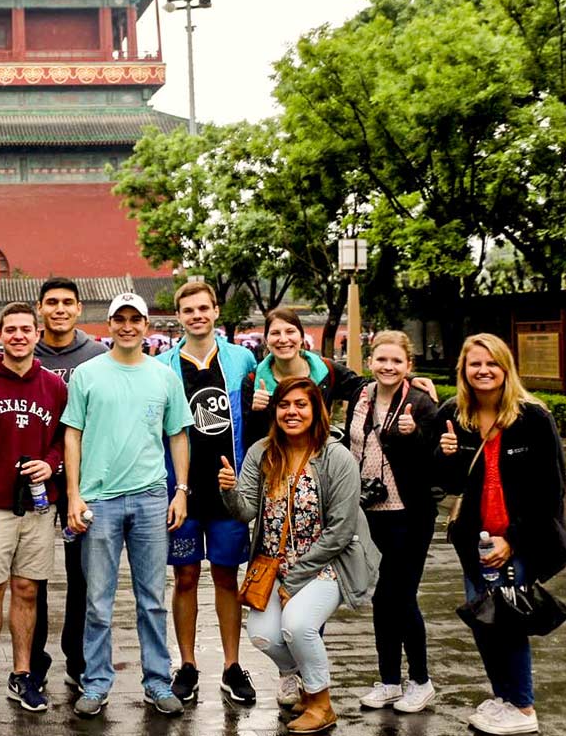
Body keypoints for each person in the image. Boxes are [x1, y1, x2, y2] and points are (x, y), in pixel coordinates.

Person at [218, 377, 380, 734]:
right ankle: (303, 677)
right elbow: (245, 511)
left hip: (327, 563)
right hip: (273, 564)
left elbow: (341, 529)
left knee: (299, 626)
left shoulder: (335, 456)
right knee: (262, 634)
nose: (292, 412)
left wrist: (295, 578)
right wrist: (228, 491)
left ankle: (321, 703)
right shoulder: (262, 452)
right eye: (285, 405)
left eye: (301, 405)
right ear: (275, 411)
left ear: (316, 410)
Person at [63, 292, 192, 718]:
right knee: (97, 599)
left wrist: (182, 490)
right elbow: (73, 435)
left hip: (152, 497)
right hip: (100, 499)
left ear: (146, 324)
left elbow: (177, 434)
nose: (128, 326)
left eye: (136, 319)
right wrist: (74, 495)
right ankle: (96, 682)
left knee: (152, 597)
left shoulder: (163, 376)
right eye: (120, 318)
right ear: (110, 323)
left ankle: (158, 680)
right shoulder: (87, 374)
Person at [436, 333, 566, 736]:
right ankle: (503, 696)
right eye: (475, 364)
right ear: (463, 370)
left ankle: (523, 708)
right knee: (485, 620)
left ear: (505, 368)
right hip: (474, 541)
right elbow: (450, 486)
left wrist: (513, 539)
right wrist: (446, 455)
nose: (483, 371)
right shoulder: (454, 415)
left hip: (518, 539)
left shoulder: (533, 419)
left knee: (509, 620)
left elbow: (551, 490)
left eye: (491, 363)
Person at [0, 303, 67, 714]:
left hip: (38, 507)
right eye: (11, 330)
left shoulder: (54, 386)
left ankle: (23, 674)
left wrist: (51, 463)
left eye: (26, 329)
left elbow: (65, 437)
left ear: (38, 334)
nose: (19, 336)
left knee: (27, 590)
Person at [154, 281, 260, 705]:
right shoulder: (162, 365)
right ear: (178, 316)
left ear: (216, 311)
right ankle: (188, 663)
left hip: (228, 489)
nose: (197, 315)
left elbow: (299, 370)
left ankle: (232, 665)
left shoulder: (242, 359)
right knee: (184, 576)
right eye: (188, 310)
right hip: (180, 487)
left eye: (203, 308)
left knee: (225, 575)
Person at [341, 331, 440, 714]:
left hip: (409, 514)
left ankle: (421, 680)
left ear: (408, 366)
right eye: (382, 359)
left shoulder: (421, 402)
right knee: (383, 600)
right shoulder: (359, 396)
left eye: (397, 361)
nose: (388, 367)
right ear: (370, 361)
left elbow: (436, 459)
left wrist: (413, 436)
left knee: (397, 597)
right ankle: (388, 681)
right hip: (368, 513)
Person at [28, 278, 107, 691]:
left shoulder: (99, 355)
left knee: (83, 575)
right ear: (39, 308)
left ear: (79, 309)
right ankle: (35, 660)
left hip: (85, 483)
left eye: (67, 303)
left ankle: (77, 657)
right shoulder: (24, 350)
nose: (59, 309)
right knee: (33, 576)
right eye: (52, 302)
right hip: (37, 484)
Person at [240, 308, 365, 451]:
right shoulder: (252, 382)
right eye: (275, 333)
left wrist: (350, 437)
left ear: (301, 338)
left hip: (321, 463)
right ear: (267, 341)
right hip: (275, 466)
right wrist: (257, 413)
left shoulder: (327, 370)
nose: (283, 339)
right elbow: (250, 442)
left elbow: (363, 390)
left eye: (290, 331)